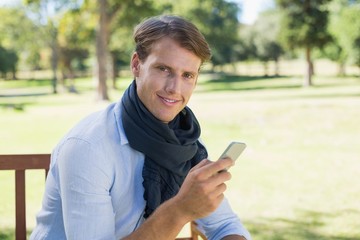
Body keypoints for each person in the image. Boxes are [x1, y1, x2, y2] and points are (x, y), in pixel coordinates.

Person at [30, 15, 251, 240]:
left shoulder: (185, 141)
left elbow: (224, 225)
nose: (175, 88)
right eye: (164, 69)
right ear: (137, 65)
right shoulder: (88, 147)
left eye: (187, 75)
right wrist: (180, 209)